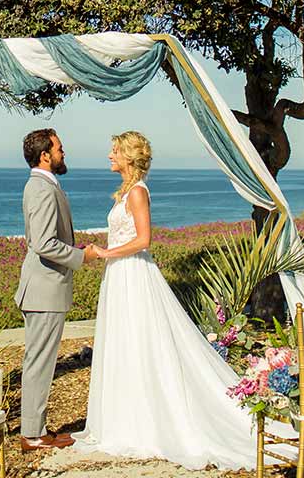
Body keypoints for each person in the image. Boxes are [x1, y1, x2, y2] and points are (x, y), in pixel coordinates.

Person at [71, 131, 261, 469]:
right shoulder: (126, 192)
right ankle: (127, 418)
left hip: (132, 273)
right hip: (119, 275)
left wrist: (104, 253)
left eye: (114, 151)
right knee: (124, 343)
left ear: (129, 157)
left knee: (142, 340)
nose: (109, 156)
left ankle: (149, 421)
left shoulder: (138, 192)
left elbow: (144, 240)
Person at [15, 128, 98, 452]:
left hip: (45, 290)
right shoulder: (40, 189)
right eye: (60, 148)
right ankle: (32, 435)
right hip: (44, 291)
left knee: (41, 362)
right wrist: (82, 256)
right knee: (39, 363)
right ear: (45, 155)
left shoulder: (45, 186)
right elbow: (43, 242)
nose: (65, 152)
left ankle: (37, 430)